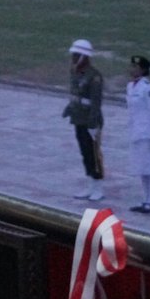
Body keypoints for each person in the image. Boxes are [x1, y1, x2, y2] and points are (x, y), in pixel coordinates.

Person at [64, 40, 105, 201]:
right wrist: (69, 108)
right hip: (79, 118)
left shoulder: (94, 76)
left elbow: (96, 101)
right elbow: (75, 93)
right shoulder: (75, 72)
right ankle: (90, 185)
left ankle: (98, 187)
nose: (73, 58)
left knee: (94, 154)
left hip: (90, 119)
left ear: (83, 56)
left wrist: (93, 122)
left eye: (76, 55)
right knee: (84, 153)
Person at [125, 56, 150, 213]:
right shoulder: (131, 86)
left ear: (144, 70)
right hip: (136, 131)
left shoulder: (149, 88)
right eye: (132, 66)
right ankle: (146, 199)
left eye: (136, 67)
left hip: (147, 132)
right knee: (141, 166)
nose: (132, 69)